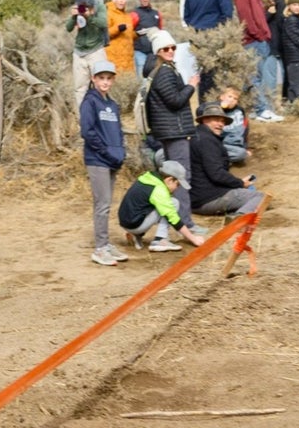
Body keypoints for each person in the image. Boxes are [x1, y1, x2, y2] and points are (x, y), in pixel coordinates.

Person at [141, 29, 197, 237]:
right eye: (165, 48)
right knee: (181, 176)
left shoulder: (159, 69)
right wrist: (191, 87)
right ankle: (186, 224)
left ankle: (173, 224)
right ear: (158, 51)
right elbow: (174, 101)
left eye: (173, 47)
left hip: (168, 130)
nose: (171, 51)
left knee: (173, 177)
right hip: (174, 131)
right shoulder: (164, 71)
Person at [80, 53, 129, 266]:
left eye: (109, 78)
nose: (105, 82)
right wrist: (107, 153)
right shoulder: (90, 102)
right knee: (102, 204)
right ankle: (100, 248)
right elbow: (88, 132)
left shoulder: (113, 105)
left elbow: (117, 131)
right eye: (101, 78)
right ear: (93, 79)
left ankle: (106, 243)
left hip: (112, 160)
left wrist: (120, 152)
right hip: (97, 160)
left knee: (107, 203)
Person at [188, 101, 265, 221]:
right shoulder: (207, 141)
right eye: (216, 120)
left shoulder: (199, 136)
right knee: (261, 197)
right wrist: (240, 183)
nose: (220, 124)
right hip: (207, 199)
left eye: (222, 121)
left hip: (197, 197)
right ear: (205, 120)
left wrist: (237, 182)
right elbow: (216, 174)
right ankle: (238, 219)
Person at [116, 160, 203, 253]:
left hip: (126, 221)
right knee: (173, 203)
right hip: (135, 225)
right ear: (169, 180)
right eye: (177, 184)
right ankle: (160, 240)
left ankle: (136, 235)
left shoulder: (149, 177)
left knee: (155, 206)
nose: (177, 188)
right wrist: (193, 238)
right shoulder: (159, 189)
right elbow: (173, 218)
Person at [234, 0, 281, 119]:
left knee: (256, 77)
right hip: (252, 41)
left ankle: (254, 110)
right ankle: (261, 110)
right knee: (254, 77)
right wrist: (259, 35)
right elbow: (246, 19)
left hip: (260, 40)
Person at [68, 0, 108, 99]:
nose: (82, 3)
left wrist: (89, 16)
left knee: (101, 85)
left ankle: (101, 112)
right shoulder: (76, 7)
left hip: (96, 50)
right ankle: (84, 115)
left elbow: (103, 23)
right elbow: (68, 28)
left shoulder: (99, 5)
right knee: (79, 88)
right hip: (79, 52)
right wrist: (72, 17)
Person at [104, 0, 136, 80]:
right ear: (114, 0)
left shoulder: (127, 16)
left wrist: (137, 34)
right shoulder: (108, 13)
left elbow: (128, 35)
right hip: (114, 57)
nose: (121, 1)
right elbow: (104, 34)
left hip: (128, 59)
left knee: (128, 85)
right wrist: (117, 29)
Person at [130, 0, 163, 76]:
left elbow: (160, 29)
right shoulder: (135, 14)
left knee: (155, 76)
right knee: (142, 77)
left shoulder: (156, 13)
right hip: (140, 51)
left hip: (154, 51)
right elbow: (129, 32)